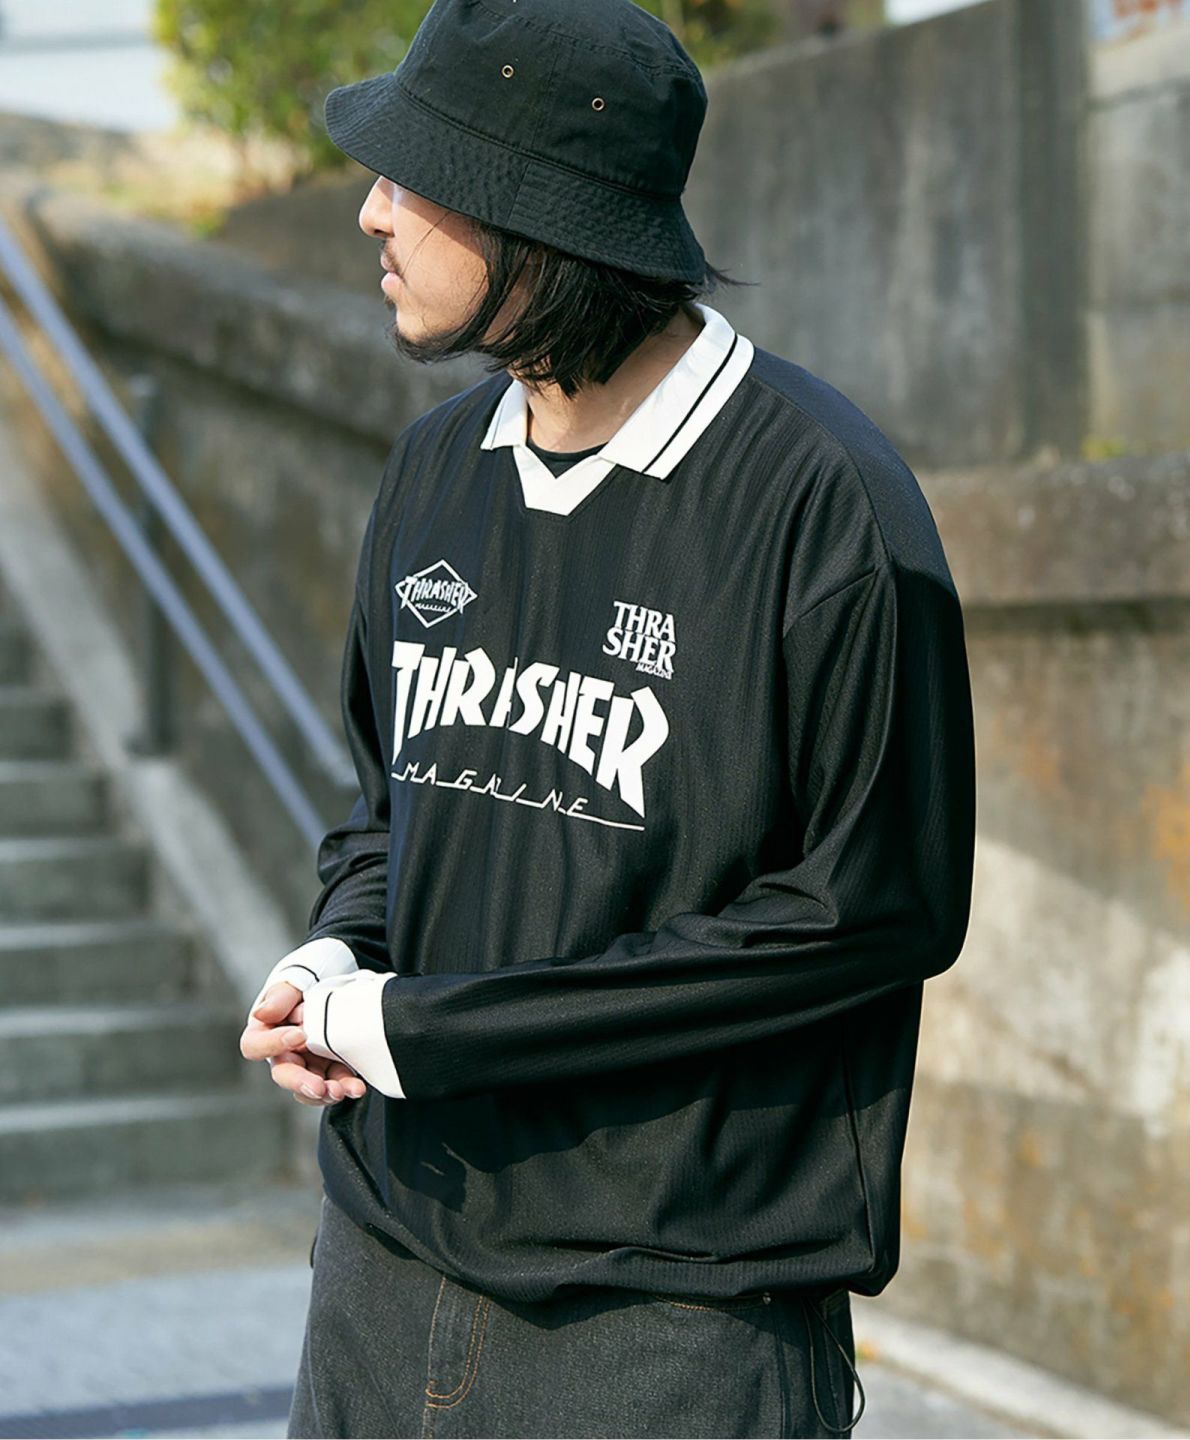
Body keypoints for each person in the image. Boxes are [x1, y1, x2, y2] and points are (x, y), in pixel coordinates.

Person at [237, 1, 976, 1435]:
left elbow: (868, 914)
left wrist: (429, 1031)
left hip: (671, 1323)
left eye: (418, 174)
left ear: (544, 217)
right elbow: (392, 806)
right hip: (382, 1275)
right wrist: (343, 950)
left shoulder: (826, 507)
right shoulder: (433, 469)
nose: (372, 210)